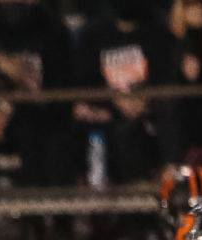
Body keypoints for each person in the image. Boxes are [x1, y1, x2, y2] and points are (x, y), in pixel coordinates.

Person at [0, 0, 78, 186]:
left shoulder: (51, 26)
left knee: (41, 132)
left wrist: (7, 107)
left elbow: (57, 86)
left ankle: (40, 208)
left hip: (38, 110)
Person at [72, 0, 186, 185]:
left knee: (168, 113)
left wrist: (143, 97)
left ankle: (173, 180)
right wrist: (115, 100)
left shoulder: (156, 29)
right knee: (122, 133)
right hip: (110, 110)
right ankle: (136, 195)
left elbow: (165, 73)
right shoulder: (93, 34)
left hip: (150, 107)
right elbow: (84, 80)